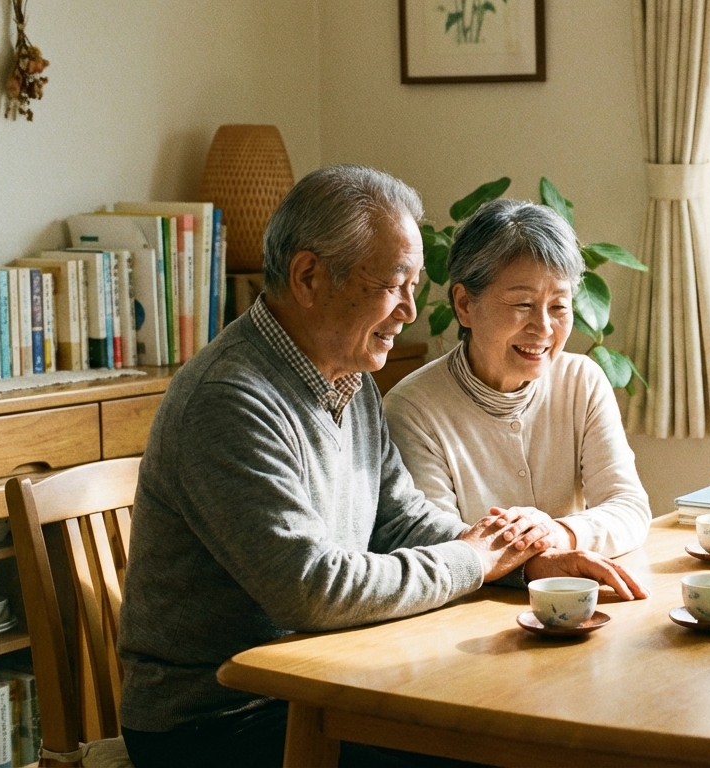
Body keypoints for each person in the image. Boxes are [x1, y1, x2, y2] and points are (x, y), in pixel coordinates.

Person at [118, 166, 647, 768]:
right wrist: (474, 559)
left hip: (319, 685)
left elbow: (402, 520)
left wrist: (525, 561)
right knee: (506, 751)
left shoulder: (347, 376)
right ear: (310, 276)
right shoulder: (231, 398)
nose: (407, 312)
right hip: (220, 721)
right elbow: (311, 588)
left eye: (414, 286)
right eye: (395, 285)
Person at [384, 198, 651, 559]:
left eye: (559, 306)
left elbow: (628, 506)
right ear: (464, 305)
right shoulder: (412, 408)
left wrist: (561, 533)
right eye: (522, 304)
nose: (543, 328)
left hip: (576, 599)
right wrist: (540, 557)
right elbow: (440, 545)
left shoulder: (581, 380)